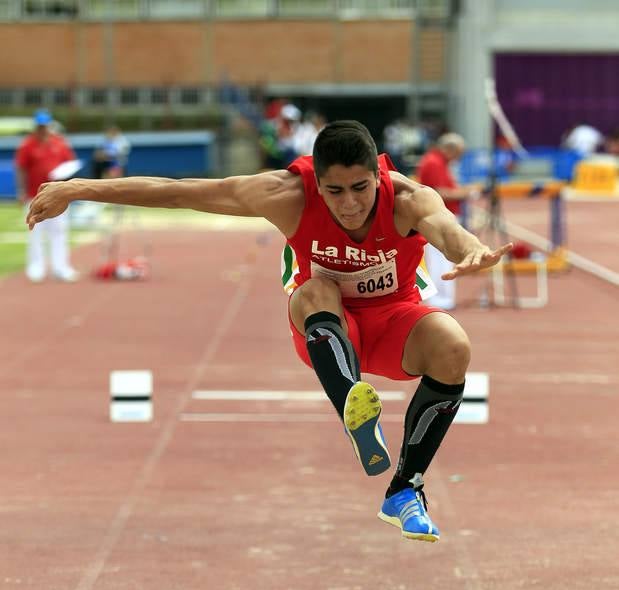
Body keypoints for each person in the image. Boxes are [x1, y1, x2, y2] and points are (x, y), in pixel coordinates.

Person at [26, 120, 511, 543]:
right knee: (315, 291)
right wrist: (78, 188)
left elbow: (446, 228)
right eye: (334, 191)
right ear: (316, 183)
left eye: (361, 188)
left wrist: (469, 249)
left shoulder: (408, 199)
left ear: (379, 178)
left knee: (453, 344)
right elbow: (179, 190)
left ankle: (404, 491)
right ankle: (352, 404)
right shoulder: (284, 194)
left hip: (391, 323)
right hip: (326, 331)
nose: (349, 205)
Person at [15, 108, 79, 283]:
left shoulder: (60, 143)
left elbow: (71, 164)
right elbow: (21, 169)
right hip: (34, 195)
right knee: (35, 230)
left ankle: (61, 267)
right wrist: (20, 191)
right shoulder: (27, 145)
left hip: (58, 195)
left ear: (49, 126)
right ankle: (36, 267)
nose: (42, 129)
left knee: (59, 231)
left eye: (45, 126)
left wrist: (68, 185)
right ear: (36, 126)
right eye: (40, 126)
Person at [416, 132, 477, 311]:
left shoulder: (438, 162)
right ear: (450, 150)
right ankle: (438, 298)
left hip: (440, 217)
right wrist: (466, 193)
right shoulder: (434, 163)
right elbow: (439, 192)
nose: (458, 159)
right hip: (438, 219)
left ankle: (441, 297)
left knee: (442, 259)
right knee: (439, 259)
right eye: (458, 154)